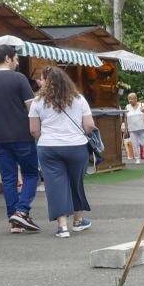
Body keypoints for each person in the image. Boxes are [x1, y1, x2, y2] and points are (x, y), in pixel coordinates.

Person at [0, 47, 40, 232]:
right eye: (16, 58)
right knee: (31, 174)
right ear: (7, 58)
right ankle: (21, 211)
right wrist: (38, 130)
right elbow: (31, 108)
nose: (17, 62)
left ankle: (14, 221)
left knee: (8, 178)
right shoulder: (19, 79)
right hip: (22, 135)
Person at [28, 66, 96, 238]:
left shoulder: (37, 102)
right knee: (76, 182)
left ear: (46, 82)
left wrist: (49, 135)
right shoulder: (79, 99)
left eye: (41, 79)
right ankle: (78, 221)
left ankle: (62, 226)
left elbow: (34, 131)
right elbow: (89, 126)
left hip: (48, 147)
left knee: (55, 185)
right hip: (76, 146)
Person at [124, 92, 144, 162]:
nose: (130, 100)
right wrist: (126, 128)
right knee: (134, 144)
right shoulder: (127, 106)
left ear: (136, 98)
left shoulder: (142, 105)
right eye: (129, 99)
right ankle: (137, 158)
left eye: (131, 98)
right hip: (132, 129)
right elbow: (125, 118)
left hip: (143, 127)